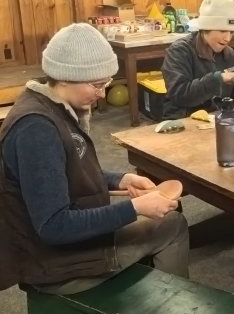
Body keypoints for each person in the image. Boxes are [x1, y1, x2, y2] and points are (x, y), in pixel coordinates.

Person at [0, 23, 189, 295]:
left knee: (164, 217)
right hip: (53, 265)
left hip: (57, 253)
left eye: (106, 83)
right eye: (97, 84)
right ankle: (172, 304)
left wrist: (119, 179)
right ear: (65, 77)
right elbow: (54, 226)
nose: (102, 93)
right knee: (172, 225)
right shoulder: (36, 129)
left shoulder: (51, 107)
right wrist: (134, 208)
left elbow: (61, 174)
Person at [161, 0, 234, 120]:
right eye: (222, 31)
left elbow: (233, 99)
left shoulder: (230, 55)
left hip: (216, 120)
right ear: (206, 27)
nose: (227, 38)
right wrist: (218, 78)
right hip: (183, 121)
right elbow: (179, 95)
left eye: (231, 32)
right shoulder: (180, 52)